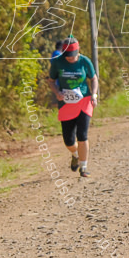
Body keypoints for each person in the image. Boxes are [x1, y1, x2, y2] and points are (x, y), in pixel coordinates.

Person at [47, 36, 98, 178]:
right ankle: (75, 154)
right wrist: (57, 92)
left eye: (72, 56)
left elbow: (93, 78)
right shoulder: (57, 62)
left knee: (82, 135)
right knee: (68, 140)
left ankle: (84, 166)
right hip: (66, 104)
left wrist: (94, 94)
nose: (70, 58)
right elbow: (51, 81)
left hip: (84, 101)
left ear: (78, 51)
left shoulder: (85, 61)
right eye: (67, 56)